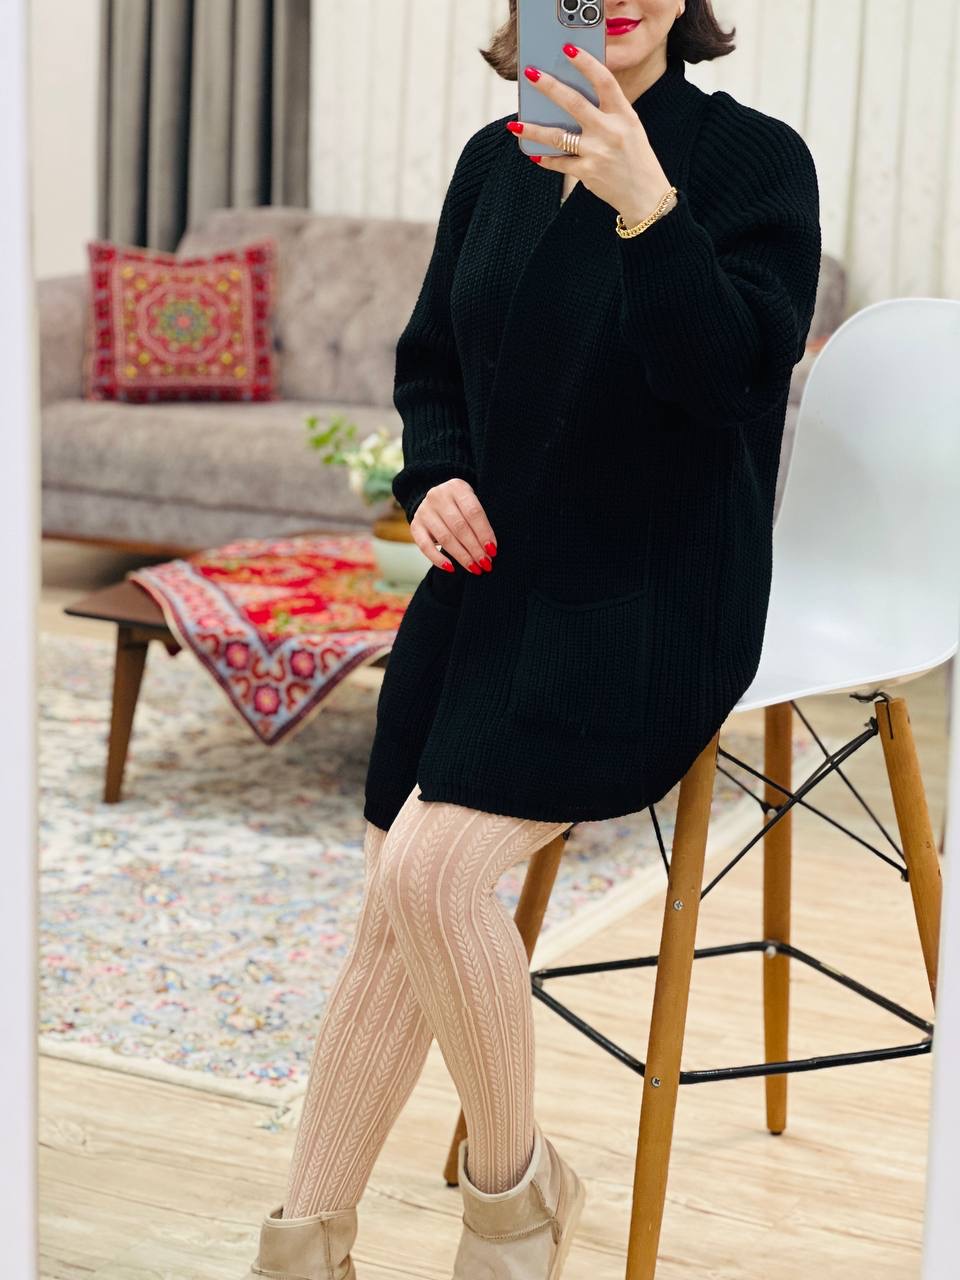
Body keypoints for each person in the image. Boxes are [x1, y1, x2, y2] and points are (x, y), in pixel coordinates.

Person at [242, 1, 823, 1276]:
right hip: (492, 576)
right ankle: (306, 1244)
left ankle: (512, 1203)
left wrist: (648, 209)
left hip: (651, 590)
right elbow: (432, 366)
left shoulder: (753, 162)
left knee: (430, 877)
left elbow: (730, 381)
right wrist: (436, 475)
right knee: (395, 903)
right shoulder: (493, 162)